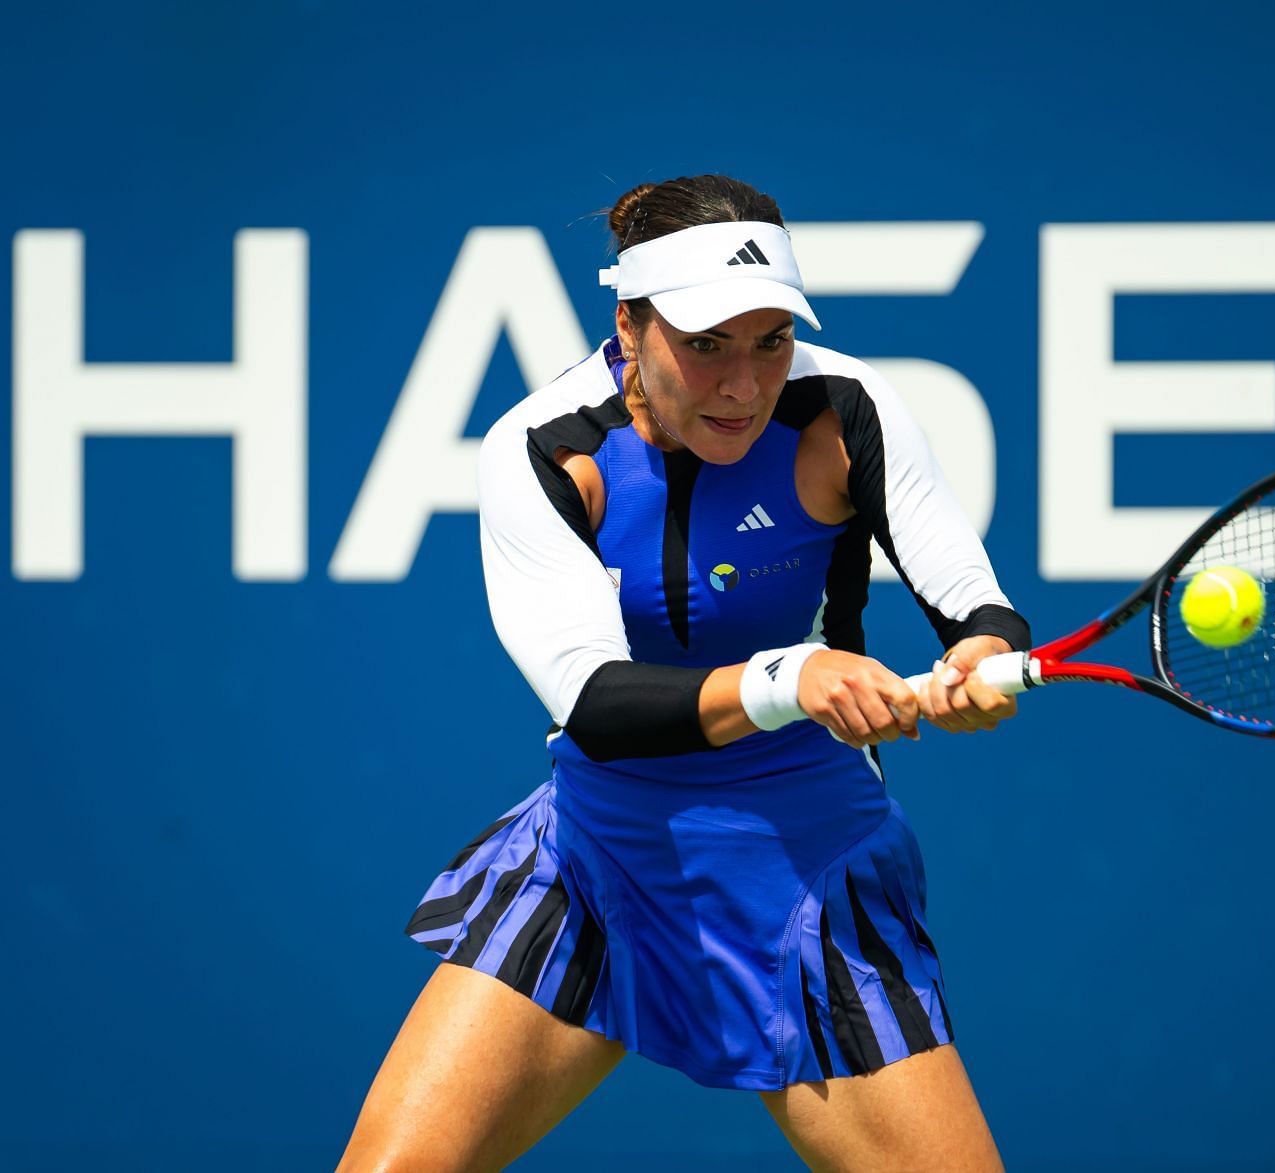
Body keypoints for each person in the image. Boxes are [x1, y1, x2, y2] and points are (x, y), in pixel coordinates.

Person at [338, 174, 1029, 1172]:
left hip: (807, 868)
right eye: (705, 346)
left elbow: (969, 594)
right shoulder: (541, 449)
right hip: (597, 860)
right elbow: (596, 705)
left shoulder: (847, 408)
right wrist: (794, 677)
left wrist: (980, 655)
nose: (743, 386)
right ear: (629, 325)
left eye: (769, 342)